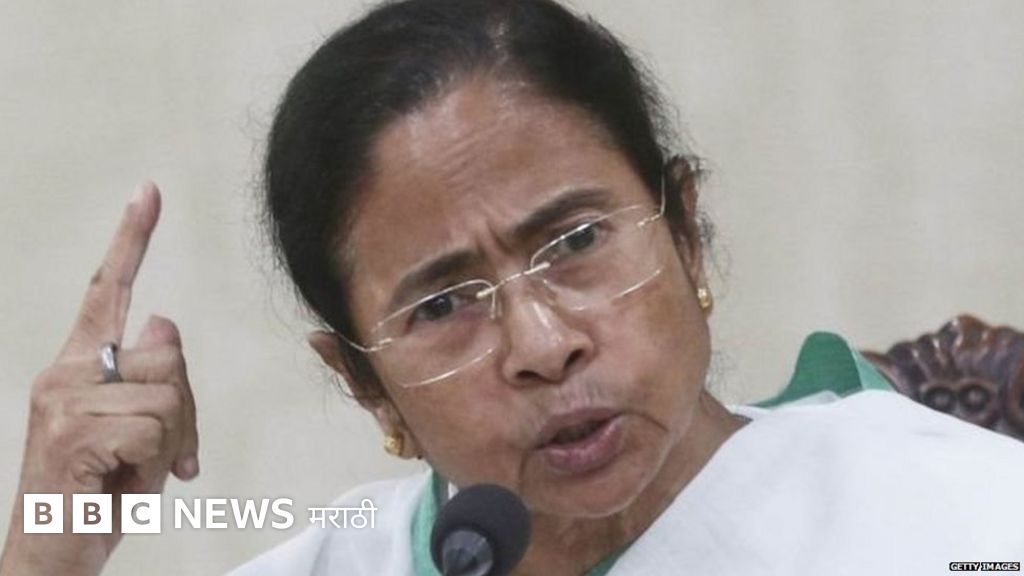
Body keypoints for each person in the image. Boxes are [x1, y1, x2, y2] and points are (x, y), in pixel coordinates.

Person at [2, 0, 1022, 574]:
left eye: (574, 241)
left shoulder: (962, 522)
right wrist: (49, 550)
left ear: (685, 235)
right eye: (442, 304)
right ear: (365, 384)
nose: (541, 344)